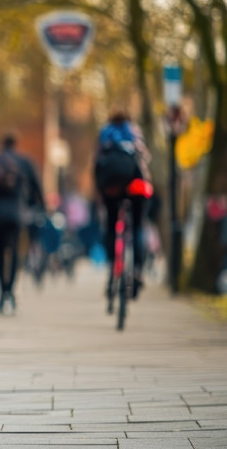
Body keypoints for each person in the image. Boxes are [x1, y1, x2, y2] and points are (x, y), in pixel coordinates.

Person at [94, 112, 152, 306]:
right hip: (135, 185)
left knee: (111, 226)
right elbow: (145, 159)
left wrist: (99, 191)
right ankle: (137, 270)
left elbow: (97, 162)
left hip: (111, 187)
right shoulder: (134, 132)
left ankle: (112, 266)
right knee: (138, 227)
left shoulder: (105, 133)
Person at [0, 134, 45, 314]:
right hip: (16, 214)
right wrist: (38, 207)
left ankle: (2, 291)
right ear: (16, 144)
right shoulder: (25, 162)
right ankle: (10, 292)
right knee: (14, 253)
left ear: (2, 144)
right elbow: (36, 187)